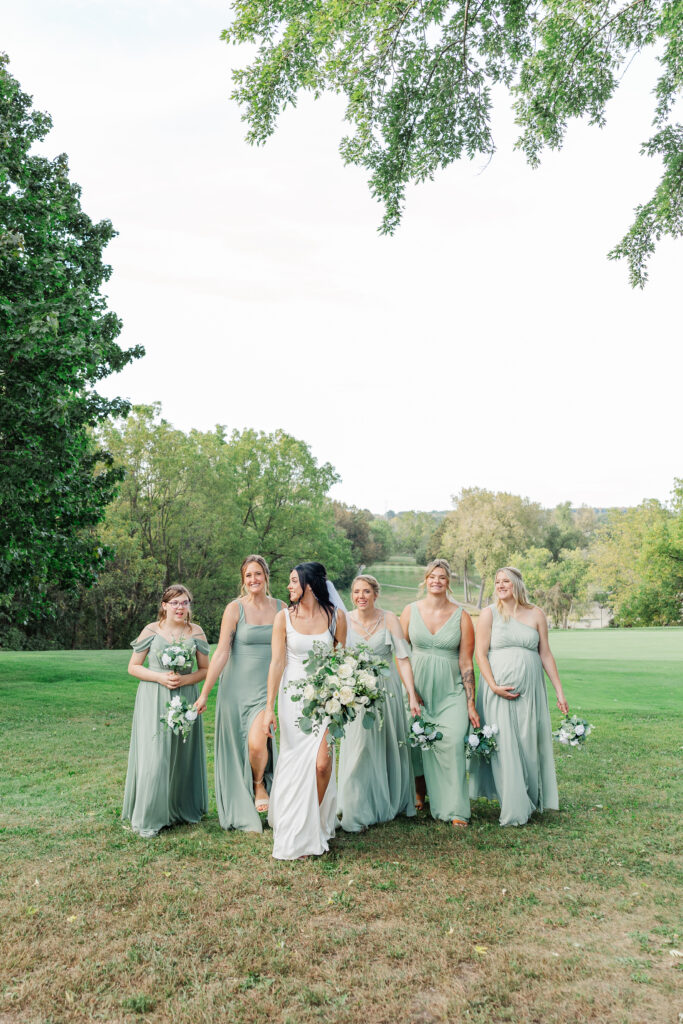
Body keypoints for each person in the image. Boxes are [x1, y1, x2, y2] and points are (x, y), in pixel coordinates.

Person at [470, 566, 569, 826]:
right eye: (497, 581)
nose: (501, 585)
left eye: (506, 581)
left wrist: (559, 690)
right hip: (498, 690)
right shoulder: (488, 614)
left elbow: (545, 653)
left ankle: (527, 797)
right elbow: (480, 654)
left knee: (527, 743)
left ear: (517, 585)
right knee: (504, 746)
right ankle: (513, 807)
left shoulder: (536, 613)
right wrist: (492, 685)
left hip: (531, 691)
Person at [194, 555, 285, 832]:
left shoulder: (281, 608)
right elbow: (221, 651)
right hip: (234, 688)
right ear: (243, 579)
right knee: (238, 746)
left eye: (258, 574)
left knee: (259, 743)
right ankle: (243, 796)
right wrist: (205, 692)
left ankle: (259, 784)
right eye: (248, 575)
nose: (253, 580)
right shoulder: (235, 609)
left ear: (266, 576)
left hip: (264, 688)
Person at [263, 562, 347, 859]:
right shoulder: (282, 618)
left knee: (323, 764)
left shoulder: (336, 616)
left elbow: (342, 663)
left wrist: (344, 698)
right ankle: (296, 827)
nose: (289, 587)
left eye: (293, 582)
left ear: (309, 585)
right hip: (293, 701)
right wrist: (269, 706)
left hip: (326, 701)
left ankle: (311, 823)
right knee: (295, 763)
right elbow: (277, 663)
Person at [122, 584, 209, 837]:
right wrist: (160, 678)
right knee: (155, 755)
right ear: (164, 606)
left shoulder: (197, 632)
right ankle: (150, 814)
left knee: (182, 754)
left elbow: (205, 670)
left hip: (185, 697)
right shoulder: (151, 630)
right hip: (154, 697)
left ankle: (179, 809)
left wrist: (184, 680)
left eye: (184, 603)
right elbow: (133, 667)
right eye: (175, 603)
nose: (180, 608)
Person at [400, 559, 479, 828]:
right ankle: (419, 791)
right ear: (425, 580)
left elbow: (467, 663)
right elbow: (401, 656)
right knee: (414, 741)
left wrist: (470, 703)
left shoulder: (463, 617)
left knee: (454, 740)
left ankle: (456, 807)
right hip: (416, 689)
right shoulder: (410, 611)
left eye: (442, 577)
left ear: (449, 582)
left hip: (451, 691)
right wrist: (411, 692)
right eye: (432, 576)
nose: (436, 581)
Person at [338, 575, 420, 832]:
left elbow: (403, 658)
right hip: (356, 693)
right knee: (360, 746)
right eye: (356, 592)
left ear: (375, 594)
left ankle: (385, 799)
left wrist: (411, 693)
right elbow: (337, 658)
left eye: (366, 591)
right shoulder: (345, 620)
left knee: (384, 745)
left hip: (387, 690)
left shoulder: (389, 619)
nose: (360, 596)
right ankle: (355, 806)